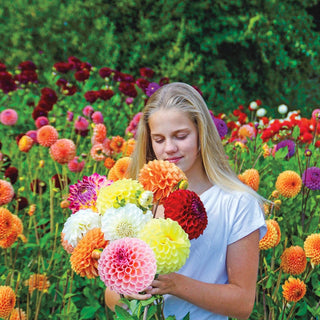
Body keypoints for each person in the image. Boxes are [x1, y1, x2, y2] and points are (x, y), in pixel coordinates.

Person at [105, 82, 267, 320]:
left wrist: (174, 285)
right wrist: (127, 291)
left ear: (202, 133)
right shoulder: (140, 200)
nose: (169, 148)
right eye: (159, 139)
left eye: (180, 136)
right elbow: (111, 297)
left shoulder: (237, 203)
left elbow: (243, 303)